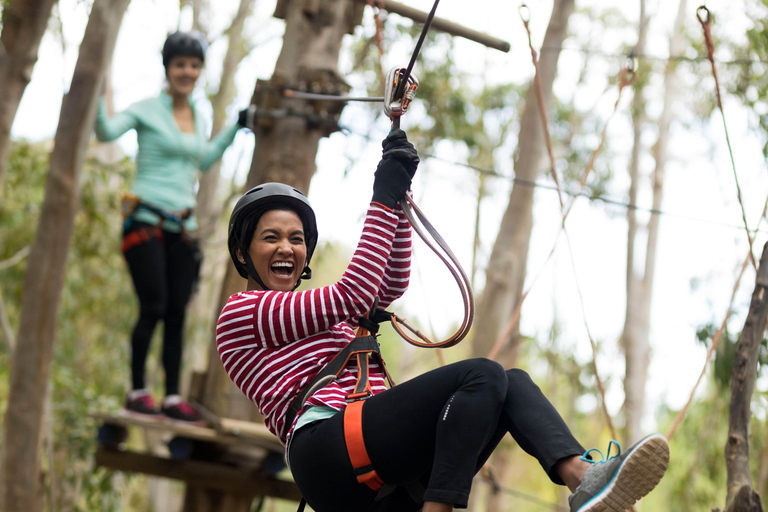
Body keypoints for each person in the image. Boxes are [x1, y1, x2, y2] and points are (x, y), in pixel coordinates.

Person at [216, 130, 670, 511]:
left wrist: (398, 199)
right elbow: (354, 292)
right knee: (481, 375)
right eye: (271, 237)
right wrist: (381, 197)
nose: (286, 248)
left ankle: (581, 478)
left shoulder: (323, 317)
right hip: (325, 448)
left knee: (511, 383)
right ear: (243, 252)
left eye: (296, 239)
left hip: (377, 460)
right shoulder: (241, 313)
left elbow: (389, 282)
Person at [95, 31, 251, 422]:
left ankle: (171, 398)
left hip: (183, 225)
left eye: (194, 66)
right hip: (145, 220)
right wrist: (95, 88)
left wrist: (236, 126)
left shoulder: (198, 115)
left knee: (177, 314)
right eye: (180, 64)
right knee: (154, 307)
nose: (187, 72)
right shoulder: (147, 109)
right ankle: (137, 392)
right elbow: (106, 131)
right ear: (167, 68)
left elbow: (204, 159)